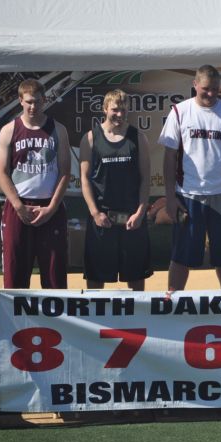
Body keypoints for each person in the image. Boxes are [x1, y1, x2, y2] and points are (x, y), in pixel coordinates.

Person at [158, 65, 221, 290]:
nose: (210, 94)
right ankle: (173, 301)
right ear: (195, 85)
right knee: (181, 257)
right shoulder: (179, 112)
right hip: (189, 195)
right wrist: (170, 198)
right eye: (206, 89)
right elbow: (169, 158)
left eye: (215, 89)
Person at [0, 78, 71, 289]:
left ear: (44, 100)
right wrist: (18, 206)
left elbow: (65, 172)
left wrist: (52, 207)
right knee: (15, 274)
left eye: (37, 101)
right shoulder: (9, 130)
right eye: (28, 101)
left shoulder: (58, 130)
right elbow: (2, 172)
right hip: (19, 206)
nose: (33, 106)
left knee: (54, 276)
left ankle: (56, 319)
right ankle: (16, 320)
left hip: (49, 206)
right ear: (20, 100)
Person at [79, 89, 152, 291]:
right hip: (102, 218)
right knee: (95, 278)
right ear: (104, 110)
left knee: (136, 278)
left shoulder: (138, 138)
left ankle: (137, 318)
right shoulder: (91, 138)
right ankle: (94, 320)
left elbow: (146, 179)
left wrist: (140, 212)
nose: (119, 114)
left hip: (132, 218)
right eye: (114, 110)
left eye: (123, 109)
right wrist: (95, 213)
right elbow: (84, 179)